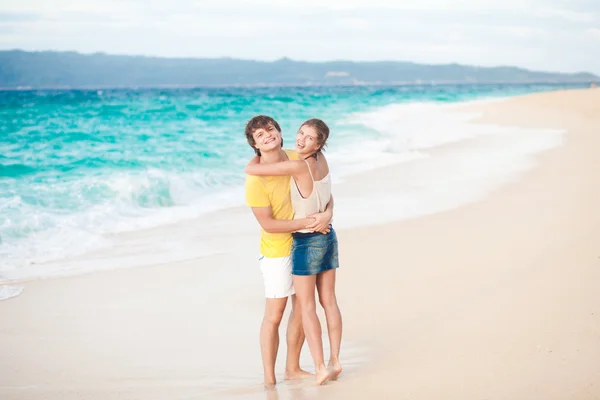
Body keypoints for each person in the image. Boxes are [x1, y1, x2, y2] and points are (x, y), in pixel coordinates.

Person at [245, 118, 342, 385]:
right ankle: (269, 379)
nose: (267, 136)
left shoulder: (293, 156)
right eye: (260, 135)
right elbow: (268, 224)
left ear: (279, 132)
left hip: (303, 244)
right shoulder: (255, 180)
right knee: (274, 316)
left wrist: (327, 214)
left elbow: (323, 192)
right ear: (254, 143)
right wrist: (310, 222)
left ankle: (293, 368)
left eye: (271, 130)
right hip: (278, 250)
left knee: (301, 308)